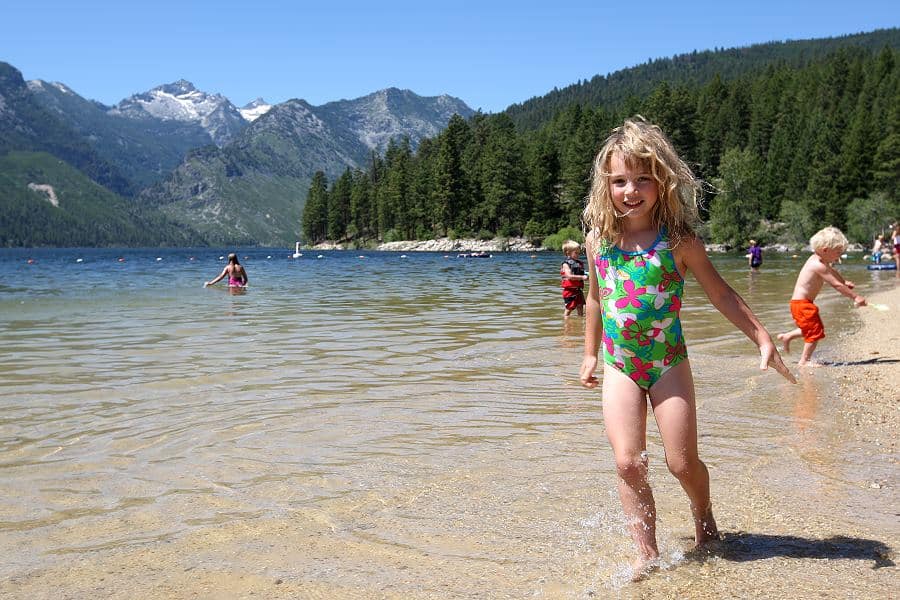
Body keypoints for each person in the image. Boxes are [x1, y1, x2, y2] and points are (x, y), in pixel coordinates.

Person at [578, 117, 795, 579]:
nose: (630, 190)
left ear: (663, 181)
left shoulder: (678, 241)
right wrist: (589, 353)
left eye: (642, 179)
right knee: (627, 461)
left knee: (680, 462)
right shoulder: (598, 241)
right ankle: (647, 552)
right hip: (620, 365)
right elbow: (595, 299)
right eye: (619, 181)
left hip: (667, 363)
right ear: (606, 185)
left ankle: (703, 514)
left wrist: (759, 334)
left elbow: (721, 294)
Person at [777, 227, 866, 366]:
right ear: (825, 250)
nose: (839, 257)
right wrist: (855, 297)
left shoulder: (821, 261)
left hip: (802, 303)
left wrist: (844, 281)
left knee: (813, 328)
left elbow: (833, 273)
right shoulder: (817, 265)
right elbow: (835, 285)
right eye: (838, 253)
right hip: (802, 304)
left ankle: (787, 336)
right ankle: (804, 361)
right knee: (815, 332)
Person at [560, 240, 587, 318]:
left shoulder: (578, 263)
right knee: (569, 308)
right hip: (569, 291)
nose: (578, 255)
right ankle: (566, 322)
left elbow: (582, 273)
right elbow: (569, 276)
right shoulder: (566, 264)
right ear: (568, 253)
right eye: (576, 253)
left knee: (580, 306)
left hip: (578, 290)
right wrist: (582, 277)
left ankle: (580, 323)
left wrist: (586, 275)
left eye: (579, 253)